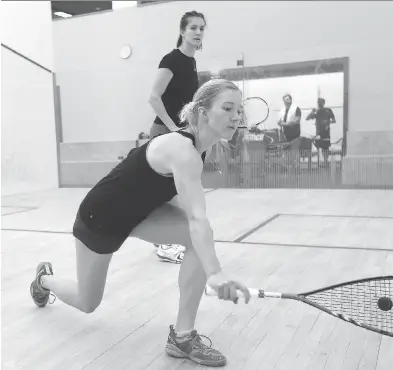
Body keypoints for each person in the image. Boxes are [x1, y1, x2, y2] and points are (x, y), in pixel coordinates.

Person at [30, 79, 251, 367]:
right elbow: (196, 216)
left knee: (198, 237)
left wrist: (195, 245)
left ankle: (182, 337)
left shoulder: (199, 149)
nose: (237, 116)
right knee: (88, 302)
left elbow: (172, 199)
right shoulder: (183, 150)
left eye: (240, 109)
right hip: (101, 218)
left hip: (140, 215)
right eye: (228, 108)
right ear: (203, 113)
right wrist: (215, 273)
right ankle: (43, 280)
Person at [148, 10, 206, 264]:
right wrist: (173, 128)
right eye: (193, 28)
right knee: (169, 192)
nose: (198, 32)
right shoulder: (172, 59)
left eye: (202, 28)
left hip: (181, 135)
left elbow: (186, 104)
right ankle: (165, 244)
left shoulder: (192, 63)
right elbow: (154, 97)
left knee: (177, 190)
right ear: (182, 31)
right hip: (165, 133)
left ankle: (166, 240)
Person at [306, 97, 336, 166]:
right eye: (318, 102)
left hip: (326, 132)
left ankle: (326, 162)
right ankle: (320, 163)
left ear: (324, 103)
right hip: (318, 133)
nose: (319, 103)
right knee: (318, 147)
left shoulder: (328, 110)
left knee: (325, 148)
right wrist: (312, 112)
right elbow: (307, 118)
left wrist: (327, 122)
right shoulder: (317, 111)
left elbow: (334, 121)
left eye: (321, 102)